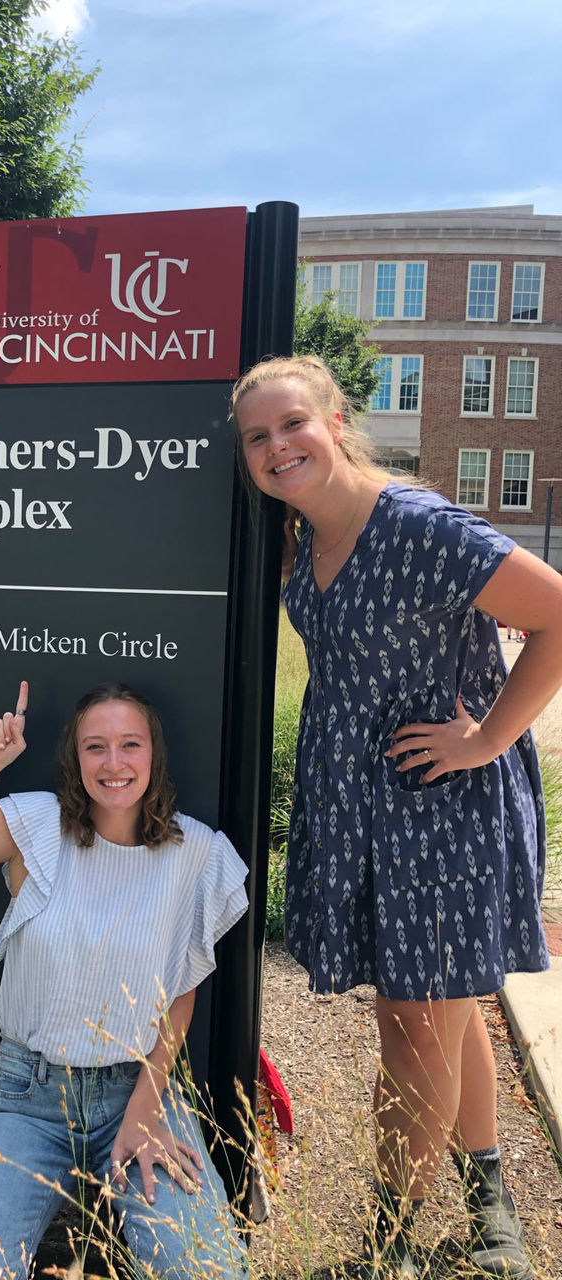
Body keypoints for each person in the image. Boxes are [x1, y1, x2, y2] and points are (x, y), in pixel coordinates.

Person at [233, 354, 562, 1280]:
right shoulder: (301, 538)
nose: (276, 446)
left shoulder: (417, 526)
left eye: (292, 423)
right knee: (445, 1015)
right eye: (257, 437)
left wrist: (487, 740)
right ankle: (491, 1194)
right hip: (359, 804)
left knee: (411, 1030)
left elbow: (558, 617)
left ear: (335, 421)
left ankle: (388, 1243)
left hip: (441, 808)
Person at [0, 681, 250, 1280]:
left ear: (155, 754)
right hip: (28, 1099)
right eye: (96, 746)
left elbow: (179, 999)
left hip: (138, 1090)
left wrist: (146, 1111)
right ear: (75, 757)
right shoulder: (38, 826)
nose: (115, 763)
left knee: (207, 1271)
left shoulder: (193, 852)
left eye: (131, 744)